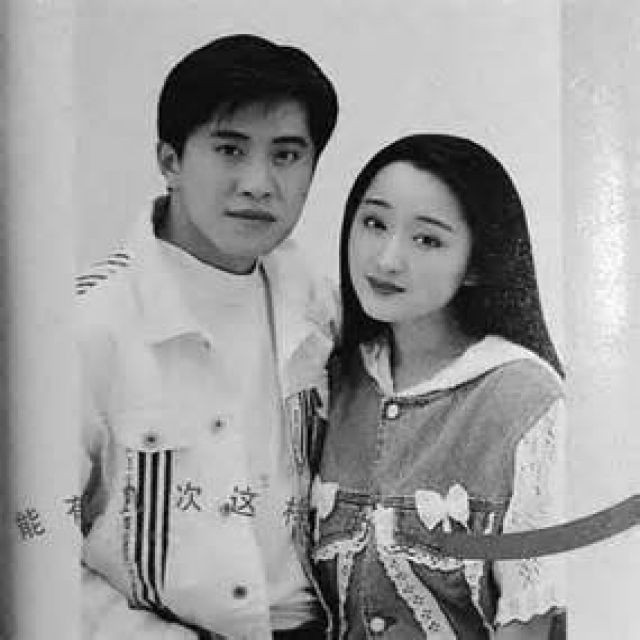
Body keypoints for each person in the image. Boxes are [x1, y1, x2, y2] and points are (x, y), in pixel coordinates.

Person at [79, 34, 339, 639]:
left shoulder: (322, 308)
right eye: (230, 149)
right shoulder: (90, 321)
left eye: (286, 155)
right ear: (170, 160)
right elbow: (32, 549)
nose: (258, 183)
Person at [311, 134, 566, 639]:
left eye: (427, 239)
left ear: (477, 263)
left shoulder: (526, 401)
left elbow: (529, 624)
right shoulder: (332, 378)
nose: (387, 259)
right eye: (374, 223)